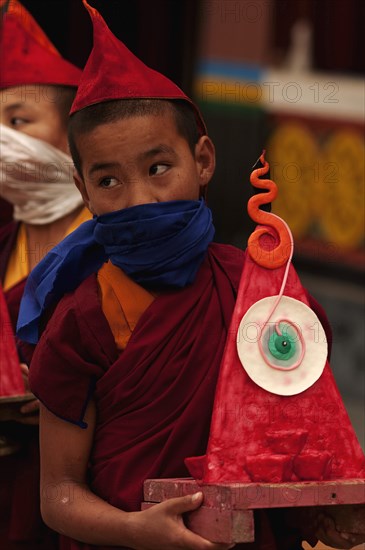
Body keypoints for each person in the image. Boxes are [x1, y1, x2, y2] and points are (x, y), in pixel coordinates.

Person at [18, 1, 364, 549]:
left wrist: (323, 516)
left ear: (202, 160)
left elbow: (288, 461)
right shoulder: (82, 321)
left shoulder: (261, 296)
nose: (139, 200)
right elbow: (58, 495)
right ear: (83, 191)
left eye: (159, 169)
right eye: (109, 182)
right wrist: (136, 530)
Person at [0, 1, 91, 548]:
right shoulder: (6, 238)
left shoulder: (109, 246)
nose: (3, 140)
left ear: (72, 133)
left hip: (75, 484)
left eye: (17, 121)